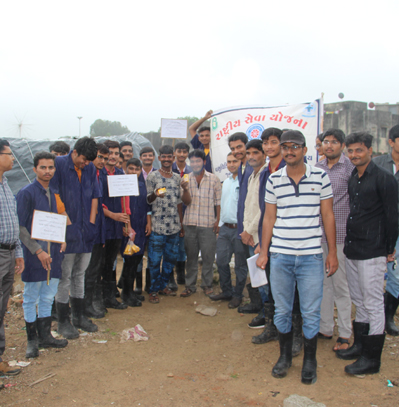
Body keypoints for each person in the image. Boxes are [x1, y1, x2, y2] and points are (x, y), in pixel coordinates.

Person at [257, 130, 338, 385]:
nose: (289, 151)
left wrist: (332, 253)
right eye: (285, 147)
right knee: (282, 310)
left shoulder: (320, 176)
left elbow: (328, 215)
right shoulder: (274, 179)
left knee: (311, 311)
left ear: (304, 150)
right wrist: (263, 251)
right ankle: (284, 357)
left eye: (295, 146)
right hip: (281, 255)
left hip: (311, 256)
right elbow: (269, 217)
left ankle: (310, 361)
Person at [336, 132, 398, 376]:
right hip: (353, 248)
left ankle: (372, 359)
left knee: (373, 303)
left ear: (371, 150)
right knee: (359, 300)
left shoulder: (384, 179)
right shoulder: (354, 176)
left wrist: (389, 248)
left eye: (359, 150)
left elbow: (393, 217)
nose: (354, 155)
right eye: (350, 151)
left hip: (373, 250)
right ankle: (360, 347)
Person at [17, 151, 68, 358]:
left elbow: (54, 221)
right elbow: (20, 228)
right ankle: (32, 340)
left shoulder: (53, 192)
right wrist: (37, 250)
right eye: (43, 167)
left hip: (53, 252)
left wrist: (61, 238)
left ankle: (46, 335)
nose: (47, 171)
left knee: (48, 296)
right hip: (33, 254)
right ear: (34, 169)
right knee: (31, 297)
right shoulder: (26, 193)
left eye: (51, 167)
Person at [50, 136, 100, 339]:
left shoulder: (89, 168)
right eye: (83, 160)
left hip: (86, 231)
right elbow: (54, 195)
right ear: (75, 152)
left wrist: (91, 222)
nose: (86, 164)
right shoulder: (59, 165)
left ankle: (79, 316)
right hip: (66, 231)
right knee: (65, 276)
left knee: (80, 274)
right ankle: (63, 321)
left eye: (89, 161)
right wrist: (67, 223)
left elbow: (95, 195)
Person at [315, 129, 353, 351]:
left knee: (341, 285)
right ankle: (326, 327)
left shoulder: (349, 168)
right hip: (317, 235)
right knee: (323, 284)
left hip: (340, 236)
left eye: (334, 142)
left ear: (342, 145)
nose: (329, 146)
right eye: (326, 142)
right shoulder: (316, 168)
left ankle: (346, 333)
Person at [146, 145, 190, 303]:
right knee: (155, 261)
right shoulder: (152, 177)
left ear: (173, 158)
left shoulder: (178, 178)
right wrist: (156, 194)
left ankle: (163, 286)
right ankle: (153, 291)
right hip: (157, 226)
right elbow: (147, 201)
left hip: (174, 227)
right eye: (163, 156)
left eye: (168, 157)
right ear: (159, 158)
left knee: (170, 260)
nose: (166, 159)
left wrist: (181, 225)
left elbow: (180, 203)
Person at [181, 149, 221, 297]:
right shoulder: (186, 178)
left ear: (204, 162)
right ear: (189, 163)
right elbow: (186, 202)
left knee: (208, 257)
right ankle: (190, 286)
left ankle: (207, 284)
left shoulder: (213, 179)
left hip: (208, 223)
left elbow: (218, 202)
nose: (195, 164)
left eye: (198, 161)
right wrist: (185, 189)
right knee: (191, 257)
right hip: (190, 223)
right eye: (192, 161)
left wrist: (218, 220)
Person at [228, 133, 259, 314]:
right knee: (252, 268)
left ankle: (264, 311)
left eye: (239, 147)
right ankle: (258, 305)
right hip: (244, 228)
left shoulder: (254, 169)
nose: (236, 152)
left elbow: (260, 205)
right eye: (232, 149)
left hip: (254, 230)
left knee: (260, 269)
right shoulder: (242, 167)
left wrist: (249, 229)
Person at [0, 139, 24, 377]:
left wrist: (17, 252)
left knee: (2, 307)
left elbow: (12, 222)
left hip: (8, 251)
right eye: (8, 154)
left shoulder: (5, 184)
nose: (13, 158)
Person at [373, 124, 399, 336]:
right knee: (373, 274)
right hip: (379, 227)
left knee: (396, 275)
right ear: (391, 142)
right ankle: (374, 316)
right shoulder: (378, 164)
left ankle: (388, 317)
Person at [100, 140, 129, 310]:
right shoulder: (98, 173)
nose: (112, 156)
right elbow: (95, 201)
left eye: (116, 153)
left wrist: (126, 222)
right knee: (99, 264)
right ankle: (98, 300)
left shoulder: (120, 174)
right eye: (109, 153)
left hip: (117, 226)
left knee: (111, 261)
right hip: (102, 224)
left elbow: (125, 199)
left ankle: (110, 297)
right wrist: (112, 215)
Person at [120, 158, 151, 307]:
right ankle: (126, 293)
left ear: (140, 171)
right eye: (130, 169)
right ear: (126, 169)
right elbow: (123, 208)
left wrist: (148, 223)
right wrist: (127, 226)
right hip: (129, 229)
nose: (133, 172)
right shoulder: (122, 185)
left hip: (140, 227)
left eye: (136, 169)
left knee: (137, 260)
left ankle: (130, 292)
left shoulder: (143, 185)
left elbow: (146, 207)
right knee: (129, 262)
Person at [83, 143, 109, 319]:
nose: (102, 161)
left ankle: (90, 303)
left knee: (95, 268)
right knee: (86, 269)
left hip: (99, 228)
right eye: (99, 157)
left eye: (105, 158)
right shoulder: (86, 174)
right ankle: (84, 306)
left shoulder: (101, 174)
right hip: (88, 229)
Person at [209, 152, 240, 302]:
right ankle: (226, 290)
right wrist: (220, 224)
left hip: (240, 228)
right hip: (225, 228)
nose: (232, 164)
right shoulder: (226, 182)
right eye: (229, 161)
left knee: (240, 265)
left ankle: (238, 295)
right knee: (221, 261)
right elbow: (223, 205)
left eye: (235, 161)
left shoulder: (245, 182)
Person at [168, 142, 192, 290]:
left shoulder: (191, 171)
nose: (182, 154)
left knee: (183, 246)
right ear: (174, 153)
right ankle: (169, 275)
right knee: (170, 246)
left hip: (187, 212)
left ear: (187, 154)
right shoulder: (168, 170)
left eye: (184, 152)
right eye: (179, 151)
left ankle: (181, 273)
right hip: (170, 213)